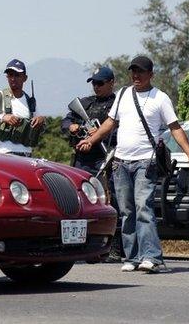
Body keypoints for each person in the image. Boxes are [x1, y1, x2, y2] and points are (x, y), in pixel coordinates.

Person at [77, 55, 189, 273]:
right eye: (133, 71)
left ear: (151, 75)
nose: (136, 75)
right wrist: (92, 139)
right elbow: (110, 122)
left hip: (146, 161)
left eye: (141, 72)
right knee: (126, 211)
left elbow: (175, 127)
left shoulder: (160, 98)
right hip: (121, 162)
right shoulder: (124, 94)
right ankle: (133, 257)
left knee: (143, 208)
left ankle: (152, 257)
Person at [61, 66, 122, 262]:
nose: (96, 87)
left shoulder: (118, 105)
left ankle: (113, 248)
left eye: (100, 83)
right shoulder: (85, 104)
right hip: (84, 161)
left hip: (109, 158)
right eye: (94, 83)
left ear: (111, 82)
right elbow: (65, 123)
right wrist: (73, 127)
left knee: (114, 204)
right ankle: (81, 247)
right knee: (81, 202)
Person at [0, 59, 45, 157]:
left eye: (17, 75)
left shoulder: (30, 101)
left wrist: (41, 121)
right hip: (4, 156)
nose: (13, 78)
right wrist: (2, 118)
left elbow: (41, 129)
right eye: (10, 75)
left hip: (27, 156)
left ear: (25, 78)